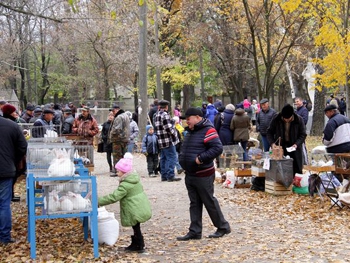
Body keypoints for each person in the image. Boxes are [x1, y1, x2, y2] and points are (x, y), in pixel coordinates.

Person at [177, 107, 231, 241]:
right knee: (194, 203)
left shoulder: (208, 130)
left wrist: (200, 158)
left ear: (197, 117)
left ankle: (223, 226)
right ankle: (195, 231)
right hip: (190, 173)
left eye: (188, 119)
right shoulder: (190, 131)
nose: (187, 122)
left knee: (208, 201)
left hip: (203, 173)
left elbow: (217, 148)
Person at [98, 153, 152, 253]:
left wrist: (98, 201)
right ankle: (137, 243)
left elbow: (114, 197)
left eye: (118, 171)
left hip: (133, 208)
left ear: (123, 172)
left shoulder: (125, 185)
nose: (117, 172)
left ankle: (138, 245)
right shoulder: (133, 179)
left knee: (136, 226)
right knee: (136, 226)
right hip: (138, 206)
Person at [0, 110, 28, 244]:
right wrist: (13, 160)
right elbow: (23, 146)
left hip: (6, 168)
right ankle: (4, 237)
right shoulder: (12, 125)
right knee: (4, 204)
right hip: (6, 169)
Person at [266, 104, 307, 175]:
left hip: (294, 148)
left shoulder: (299, 120)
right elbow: (269, 132)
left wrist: (296, 144)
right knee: (281, 170)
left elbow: (303, 134)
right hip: (281, 147)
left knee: (296, 169)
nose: (286, 120)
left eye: (288, 119)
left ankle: (295, 183)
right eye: (284, 118)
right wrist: (272, 143)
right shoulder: (276, 118)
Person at [154, 100, 181, 182]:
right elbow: (168, 128)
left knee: (163, 158)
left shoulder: (157, 115)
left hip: (161, 140)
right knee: (172, 157)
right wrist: (175, 133)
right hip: (168, 140)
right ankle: (170, 175)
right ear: (166, 106)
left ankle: (164, 175)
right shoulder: (165, 115)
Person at [108, 105, 130, 176]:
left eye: (113, 111)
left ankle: (117, 171)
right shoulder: (125, 116)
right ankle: (125, 170)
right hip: (125, 139)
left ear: (117, 110)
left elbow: (117, 129)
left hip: (118, 140)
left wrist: (111, 134)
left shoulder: (119, 117)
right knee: (124, 155)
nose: (112, 112)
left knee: (117, 156)